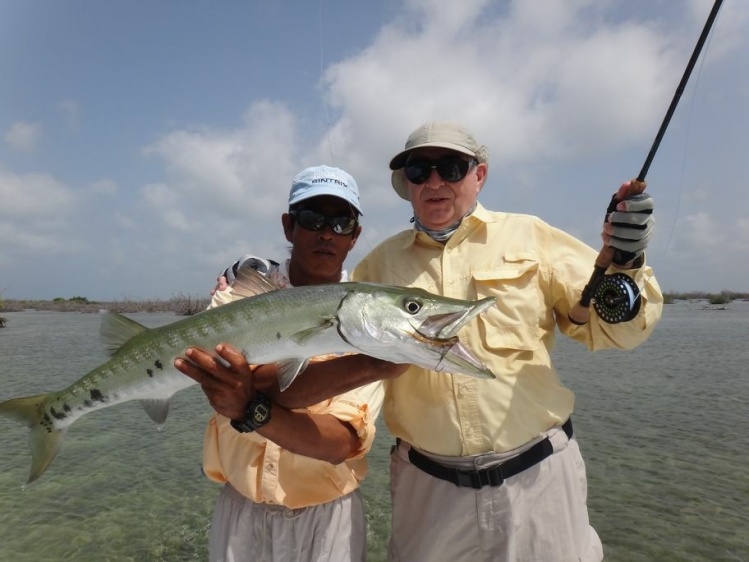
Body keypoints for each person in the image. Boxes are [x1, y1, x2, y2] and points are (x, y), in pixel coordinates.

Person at [182, 122, 663, 562]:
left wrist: (624, 263)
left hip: (537, 475)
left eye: (451, 168)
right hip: (427, 488)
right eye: (419, 170)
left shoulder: (532, 238)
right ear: (406, 185)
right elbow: (308, 371)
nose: (435, 182)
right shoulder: (373, 273)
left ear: (480, 175)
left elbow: (612, 331)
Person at [176, 165, 384, 562]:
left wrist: (248, 403)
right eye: (313, 219)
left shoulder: (367, 314)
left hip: (328, 520)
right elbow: (221, 388)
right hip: (239, 511)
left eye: (341, 223)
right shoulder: (238, 294)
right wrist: (365, 365)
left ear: (355, 236)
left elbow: (341, 441)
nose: (327, 233)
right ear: (289, 227)